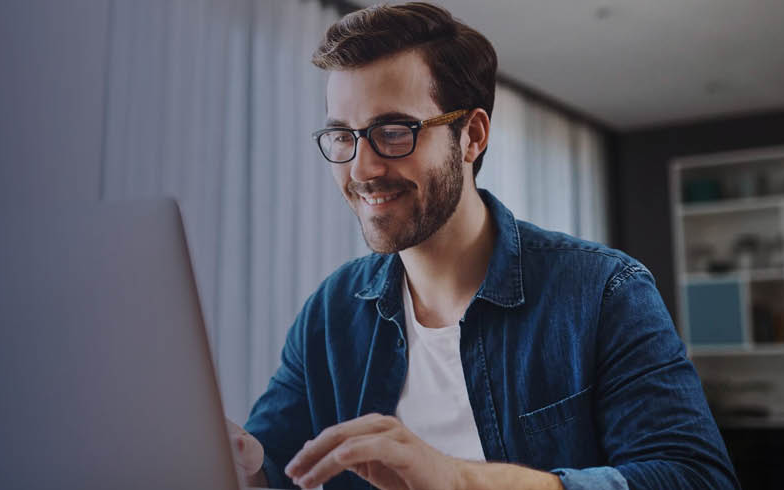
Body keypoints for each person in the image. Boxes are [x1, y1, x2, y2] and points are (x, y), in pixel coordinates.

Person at [227, 3, 738, 489]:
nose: (362, 168)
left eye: (393, 131)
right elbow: (271, 469)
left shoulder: (604, 292)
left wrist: (458, 479)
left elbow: (696, 479)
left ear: (471, 136)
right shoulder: (330, 312)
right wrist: (226, 455)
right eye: (344, 137)